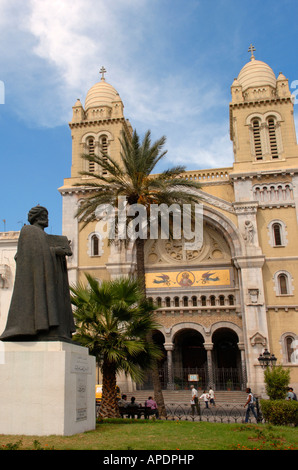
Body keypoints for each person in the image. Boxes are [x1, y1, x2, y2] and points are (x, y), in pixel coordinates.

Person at [0, 205, 75, 342]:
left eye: (46, 216)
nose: (46, 219)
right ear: (35, 218)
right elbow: (27, 255)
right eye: (43, 216)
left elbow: (42, 251)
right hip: (38, 280)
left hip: (51, 278)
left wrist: (59, 250)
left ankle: (57, 330)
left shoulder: (44, 235)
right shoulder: (29, 231)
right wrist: (55, 251)